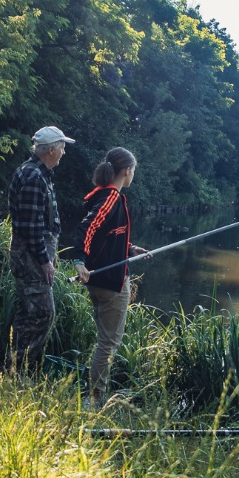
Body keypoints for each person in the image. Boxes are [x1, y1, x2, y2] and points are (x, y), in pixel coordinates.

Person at [73, 147, 150, 407]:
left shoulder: (106, 196)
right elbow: (88, 227)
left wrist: (129, 249)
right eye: (133, 171)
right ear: (126, 171)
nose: (133, 175)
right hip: (110, 283)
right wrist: (78, 260)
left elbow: (105, 237)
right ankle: (95, 402)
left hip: (101, 280)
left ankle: (94, 396)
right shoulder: (111, 198)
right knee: (108, 344)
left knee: (104, 341)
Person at [7, 125, 75, 374]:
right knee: (43, 314)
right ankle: (21, 372)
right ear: (51, 150)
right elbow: (31, 227)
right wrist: (45, 261)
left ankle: (14, 370)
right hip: (31, 257)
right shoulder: (34, 177)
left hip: (33, 255)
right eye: (62, 147)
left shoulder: (35, 172)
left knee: (27, 313)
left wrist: (49, 257)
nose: (64, 153)